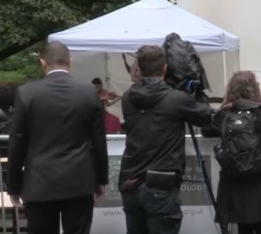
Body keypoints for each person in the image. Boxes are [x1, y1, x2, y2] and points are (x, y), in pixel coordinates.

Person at [7, 42, 109, 234]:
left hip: (39, 184)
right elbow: (99, 141)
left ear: (42, 63)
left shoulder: (27, 94)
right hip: (80, 182)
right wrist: (101, 180)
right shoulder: (88, 93)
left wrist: (14, 185)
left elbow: (17, 142)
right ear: (70, 61)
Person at [118, 45, 212, 234]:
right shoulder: (176, 99)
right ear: (165, 68)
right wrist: (191, 87)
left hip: (131, 181)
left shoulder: (128, 98)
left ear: (139, 69)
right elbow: (205, 115)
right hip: (160, 184)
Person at [209, 71, 261, 234]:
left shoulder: (226, 113)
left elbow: (206, 128)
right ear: (255, 87)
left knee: (244, 229)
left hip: (235, 180)